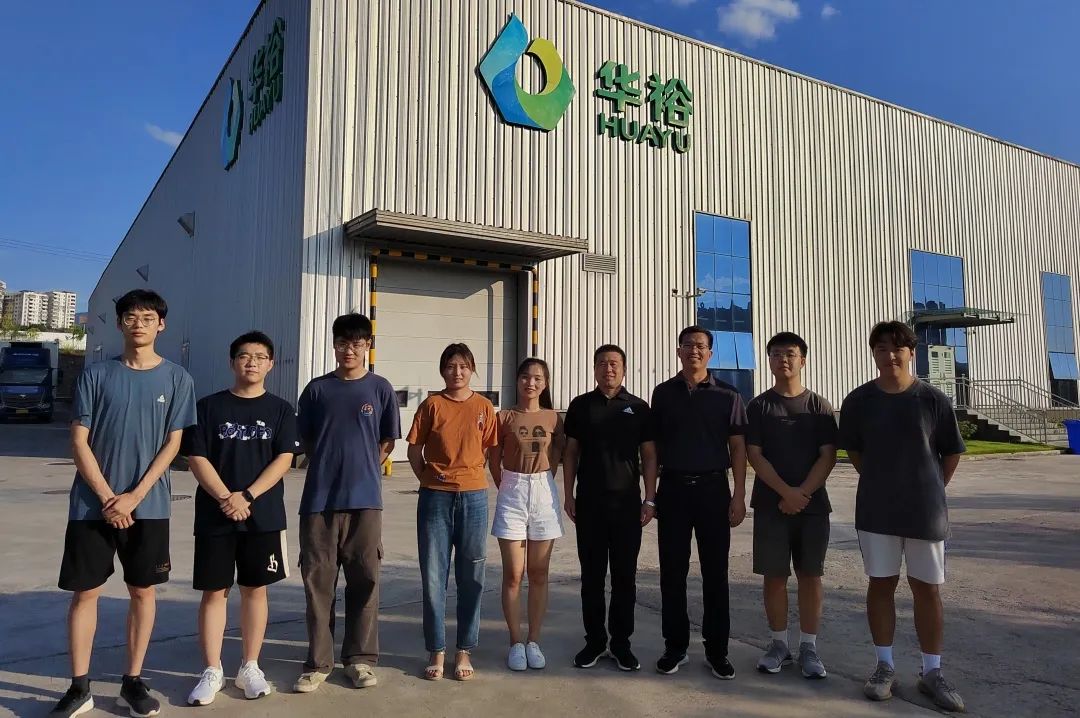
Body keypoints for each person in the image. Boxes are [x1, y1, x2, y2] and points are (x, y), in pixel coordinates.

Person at [52, 289, 196, 718]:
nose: (139, 324)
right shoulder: (96, 375)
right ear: (119, 324)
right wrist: (106, 497)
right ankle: (79, 687)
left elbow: (173, 445)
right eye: (130, 317)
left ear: (161, 324)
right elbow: (79, 441)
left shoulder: (177, 379)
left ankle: (133, 681)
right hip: (91, 506)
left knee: (142, 591)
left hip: (149, 507)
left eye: (148, 317)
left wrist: (134, 496)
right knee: (86, 593)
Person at [840, 321, 966, 712]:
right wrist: (883, 482)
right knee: (881, 584)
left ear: (912, 352)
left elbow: (950, 453)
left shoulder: (932, 399)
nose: (890, 355)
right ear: (873, 354)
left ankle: (932, 671)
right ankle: (884, 666)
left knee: (927, 588)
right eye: (881, 348)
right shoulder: (859, 401)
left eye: (897, 348)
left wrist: (928, 487)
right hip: (876, 511)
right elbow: (856, 453)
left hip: (925, 512)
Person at [184, 331, 298, 705]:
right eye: (244, 356)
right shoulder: (208, 407)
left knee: (255, 589)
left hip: (262, 516)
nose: (252, 362)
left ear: (271, 364)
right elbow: (197, 457)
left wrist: (247, 496)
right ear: (232, 361)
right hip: (216, 516)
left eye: (260, 357)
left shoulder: (281, 410)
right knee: (214, 591)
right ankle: (212, 669)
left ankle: (250, 665)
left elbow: (284, 458)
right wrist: (226, 497)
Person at [293, 313, 401, 694]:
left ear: (368, 345)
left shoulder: (380, 389)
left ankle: (359, 659)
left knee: (365, 580)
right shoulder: (316, 390)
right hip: (319, 501)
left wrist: (362, 468)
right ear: (334, 345)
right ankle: (318, 663)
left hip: (365, 501)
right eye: (342, 343)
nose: (349, 350)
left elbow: (386, 442)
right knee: (317, 582)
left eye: (357, 343)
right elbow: (306, 441)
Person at [649, 325, 747, 680]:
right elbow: (653, 448)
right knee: (672, 572)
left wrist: (739, 494)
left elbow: (738, 447)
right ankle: (674, 647)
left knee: (715, 573)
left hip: (712, 490)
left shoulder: (728, 395)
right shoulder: (663, 393)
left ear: (710, 353)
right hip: (673, 488)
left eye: (701, 345)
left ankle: (717, 651)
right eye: (687, 345)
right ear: (679, 351)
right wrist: (650, 496)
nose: (694, 350)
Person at [746, 332, 837, 679]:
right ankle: (779, 644)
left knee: (811, 575)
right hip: (771, 505)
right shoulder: (758, 407)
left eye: (790, 354)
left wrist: (802, 494)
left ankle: (809, 647)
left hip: (813, 507)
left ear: (803, 360)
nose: (783, 359)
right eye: (776, 354)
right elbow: (755, 455)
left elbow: (827, 456)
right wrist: (786, 492)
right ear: (768, 361)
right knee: (774, 575)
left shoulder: (819, 406)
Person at [406, 343, 498, 681]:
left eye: (463, 366)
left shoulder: (484, 407)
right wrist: (429, 479)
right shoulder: (431, 405)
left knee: (472, 575)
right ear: (442, 370)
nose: (457, 372)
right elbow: (414, 450)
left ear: (471, 369)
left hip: (474, 498)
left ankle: (464, 650)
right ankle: (437, 649)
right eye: (450, 366)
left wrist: (469, 476)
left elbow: (488, 450)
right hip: (435, 499)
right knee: (434, 575)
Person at [563, 344, 658, 672]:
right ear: (594, 369)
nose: (609, 369)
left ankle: (621, 644)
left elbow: (649, 456)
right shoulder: (580, 406)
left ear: (624, 369)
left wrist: (650, 498)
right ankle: (594, 641)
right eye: (602, 363)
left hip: (627, 506)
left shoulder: (639, 408)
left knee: (624, 578)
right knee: (591, 577)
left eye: (614, 363)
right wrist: (568, 495)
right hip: (589, 504)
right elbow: (570, 453)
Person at [490, 358, 565, 671]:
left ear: (544, 384)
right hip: (513, 490)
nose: (530, 383)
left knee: (538, 573)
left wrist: (546, 476)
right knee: (513, 574)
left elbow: (559, 450)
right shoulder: (504, 417)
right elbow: (494, 458)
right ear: (517, 380)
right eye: (525, 377)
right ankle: (515, 641)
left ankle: (533, 640)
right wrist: (507, 485)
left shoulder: (554, 418)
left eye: (537, 378)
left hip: (543, 491)